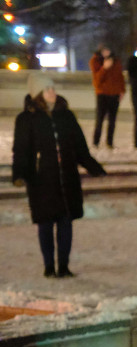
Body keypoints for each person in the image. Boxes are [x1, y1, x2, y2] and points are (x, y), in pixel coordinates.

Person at [12, 73, 106, 278]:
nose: (52, 92)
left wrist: (93, 167)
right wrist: (19, 174)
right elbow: (21, 150)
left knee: (65, 221)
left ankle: (63, 265)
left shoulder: (66, 115)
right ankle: (48, 266)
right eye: (47, 89)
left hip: (66, 178)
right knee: (45, 223)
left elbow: (79, 147)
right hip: (41, 179)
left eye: (53, 88)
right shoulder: (26, 119)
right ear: (37, 93)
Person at [89, 45, 125, 149]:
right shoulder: (95, 61)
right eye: (104, 50)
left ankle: (110, 142)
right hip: (102, 94)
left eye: (108, 49)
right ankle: (96, 142)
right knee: (100, 119)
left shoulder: (116, 61)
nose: (106, 52)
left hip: (115, 94)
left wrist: (122, 90)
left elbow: (120, 77)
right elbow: (96, 81)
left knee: (112, 120)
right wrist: (104, 68)